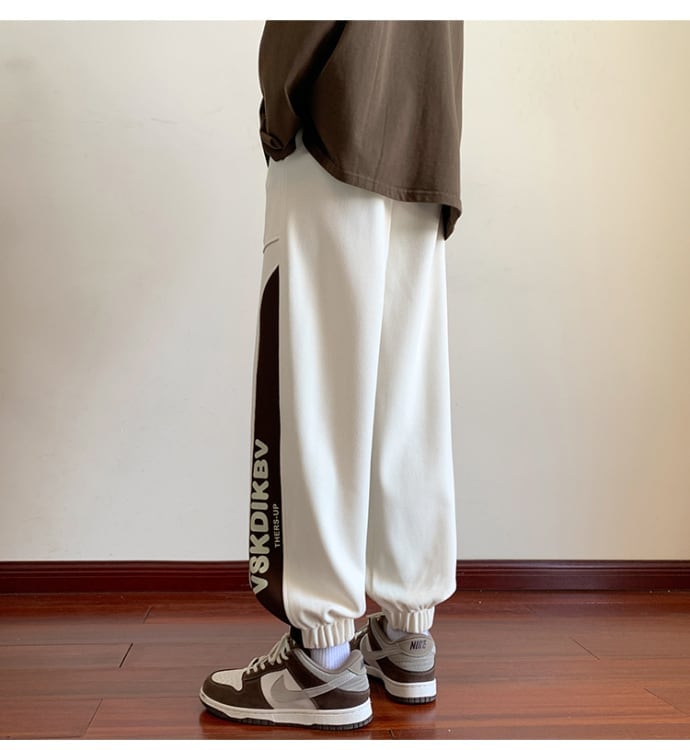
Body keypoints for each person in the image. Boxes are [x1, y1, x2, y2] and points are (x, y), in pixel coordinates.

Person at [200, 20, 464, 730]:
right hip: (425, 140)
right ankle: (407, 635)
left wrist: (279, 112)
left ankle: (320, 662)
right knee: (407, 399)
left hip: (336, 124)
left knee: (313, 394)